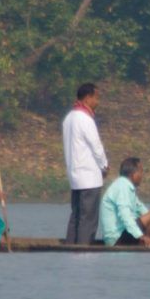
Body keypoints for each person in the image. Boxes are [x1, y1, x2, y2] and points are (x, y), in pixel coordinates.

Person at [61, 82, 108, 244]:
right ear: (88, 98)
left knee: (76, 216)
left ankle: (70, 247)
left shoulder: (69, 119)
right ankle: (84, 250)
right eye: (96, 98)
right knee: (88, 218)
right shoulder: (85, 119)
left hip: (75, 176)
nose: (98, 102)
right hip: (89, 177)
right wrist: (104, 166)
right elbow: (96, 146)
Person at [98, 157, 150, 247]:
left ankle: (146, 245)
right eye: (141, 171)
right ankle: (143, 246)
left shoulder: (127, 187)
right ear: (133, 174)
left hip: (124, 234)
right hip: (116, 239)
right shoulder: (122, 186)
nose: (142, 175)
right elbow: (125, 216)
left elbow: (141, 209)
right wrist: (140, 236)